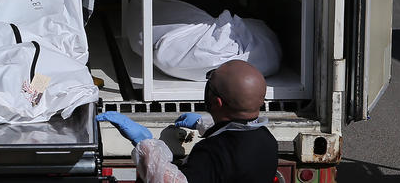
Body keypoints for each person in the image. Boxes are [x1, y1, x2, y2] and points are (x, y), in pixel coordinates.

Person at [97, 60, 278, 183]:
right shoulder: (267, 141)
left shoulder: (213, 153)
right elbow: (236, 134)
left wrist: (145, 144)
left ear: (217, 102)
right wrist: (204, 123)